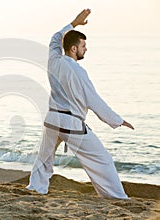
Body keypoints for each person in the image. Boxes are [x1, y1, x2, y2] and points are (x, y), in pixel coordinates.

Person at [27, 9, 134, 199]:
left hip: (52, 120)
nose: (86, 49)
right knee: (102, 160)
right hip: (71, 124)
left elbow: (55, 38)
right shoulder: (79, 72)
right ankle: (117, 197)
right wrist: (117, 120)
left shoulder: (53, 60)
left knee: (44, 160)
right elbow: (94, 100)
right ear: (73, 49)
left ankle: (36, 188)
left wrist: (74, 24)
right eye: (83, 45)